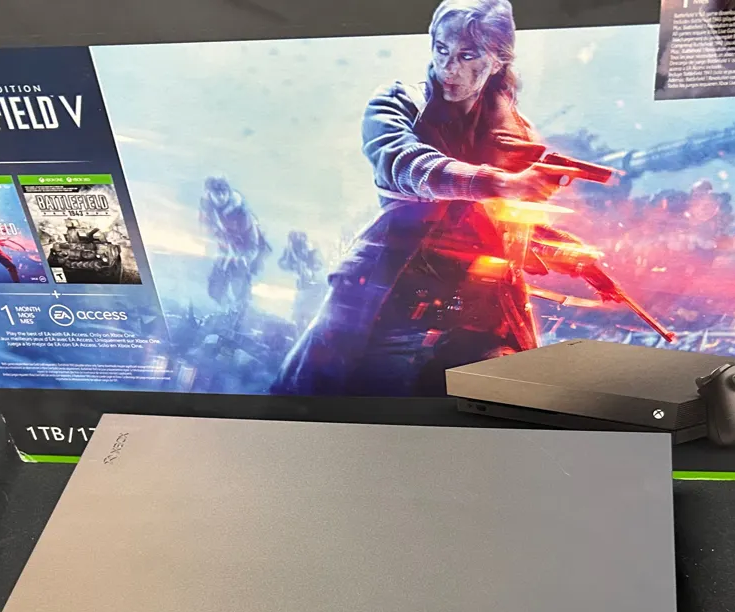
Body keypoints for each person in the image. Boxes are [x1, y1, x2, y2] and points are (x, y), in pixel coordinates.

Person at [274, 0, 613, 396]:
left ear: (497, 61)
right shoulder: (399, 103)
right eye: (441, 50)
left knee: (500, 406)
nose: (449, 68)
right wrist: (501, 183)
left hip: (477, 313)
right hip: (390, 304)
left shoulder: (515, 134)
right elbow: (404, 163)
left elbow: (510, 225)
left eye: (467, 56)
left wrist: (573, 257)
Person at [199, 176, 271, 311]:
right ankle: (224, 310)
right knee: (214, 289)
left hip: (245, 251)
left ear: (228, 192)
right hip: (225, 251)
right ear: (210, 194)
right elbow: (207, 228)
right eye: (217, 193)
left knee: (240, 287)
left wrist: (244, 259)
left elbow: (252, 242)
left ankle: (240, 311)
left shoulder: (241, 213)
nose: (221, 196)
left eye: (224, 192)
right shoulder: (208, 209)